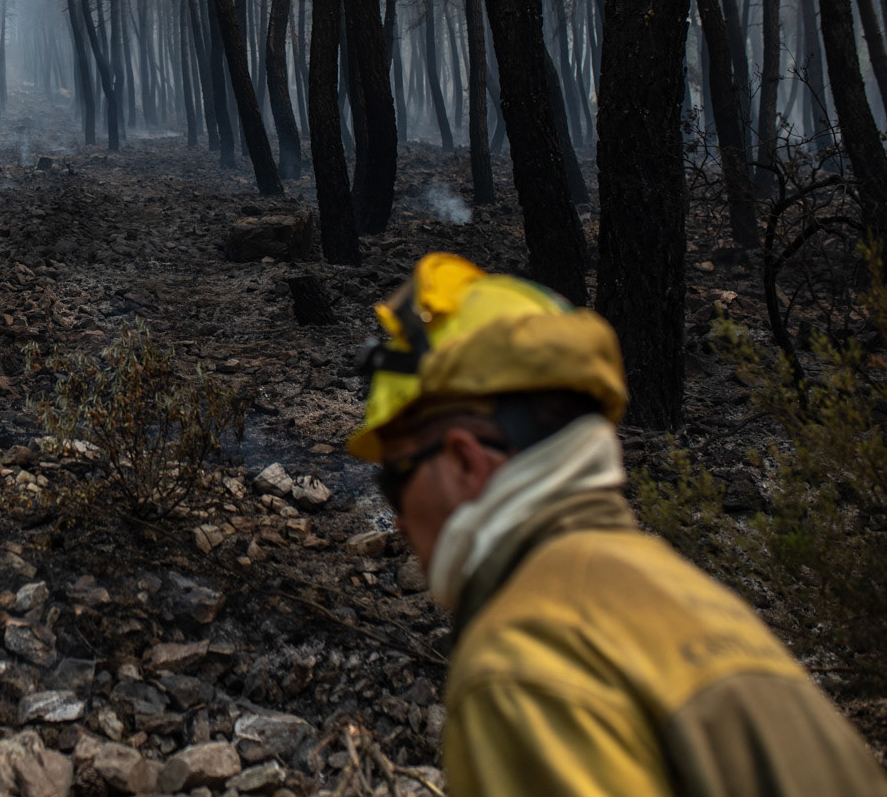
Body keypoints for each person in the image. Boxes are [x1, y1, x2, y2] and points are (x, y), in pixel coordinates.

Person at [348, 252, 887, 797]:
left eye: (394, 479)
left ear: (465, 461)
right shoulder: (694, 600)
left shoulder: (525, 659)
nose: (398, 519)